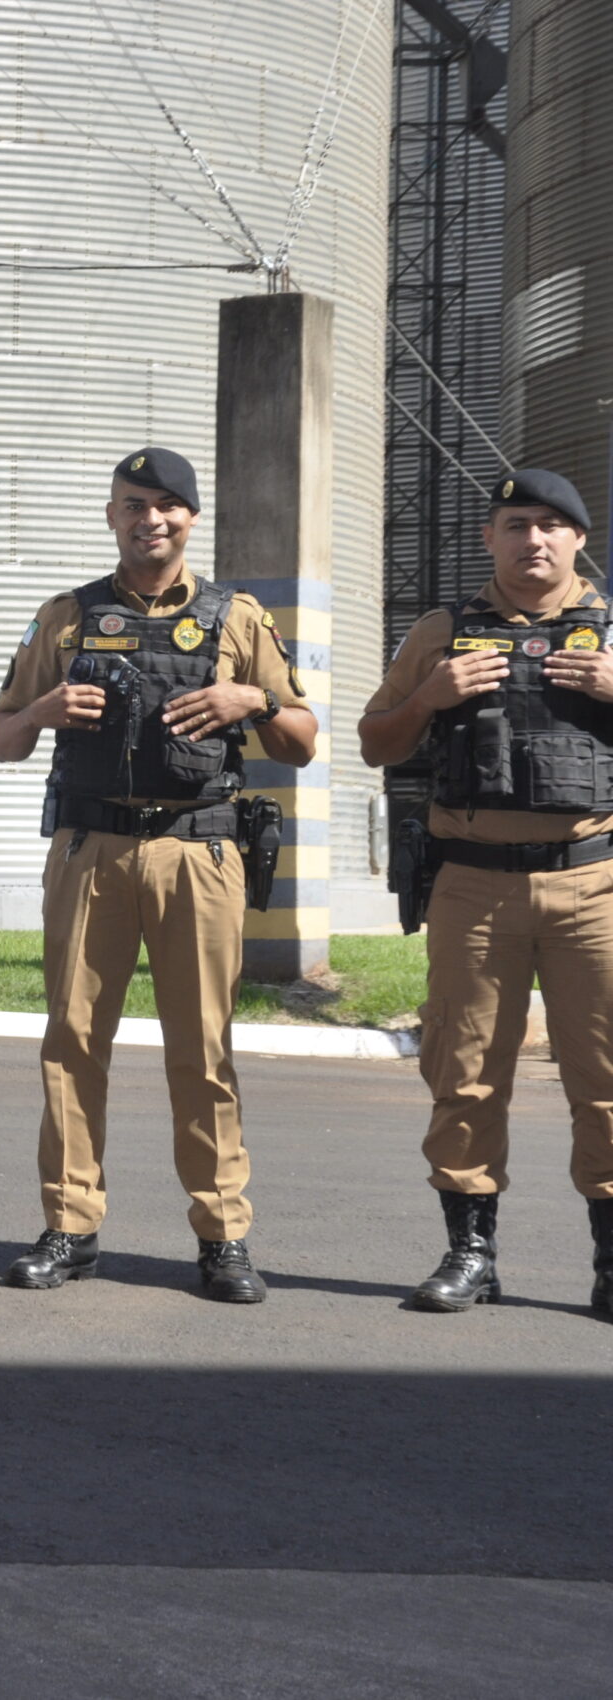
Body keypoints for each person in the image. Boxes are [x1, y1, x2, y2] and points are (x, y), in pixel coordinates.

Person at [0, 447, 316, 1303]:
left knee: (202, 1049)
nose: (150, 520)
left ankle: (223, 1236)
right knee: (72, 1043)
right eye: (133, 504)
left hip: (197, 853)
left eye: (167, 505)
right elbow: (2, 738)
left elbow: (303, 739)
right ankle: (70, 1227)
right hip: (90, 851)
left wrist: (255, 701)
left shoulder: (236, 618)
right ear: (112, 516)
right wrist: (43, 709)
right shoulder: (66, 616)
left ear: (191, 518)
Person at [359, 468, 613, 1318]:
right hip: (472, 883)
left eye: (549, 525)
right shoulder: (441, 631)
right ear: (489, 539)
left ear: (578, 539)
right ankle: (471, 1254)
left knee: (606, 1078)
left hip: (594, 881)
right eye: (514, 524)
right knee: (464, 1074)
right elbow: (375, 742)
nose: (532, 540)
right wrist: (428, 698)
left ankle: (611, 1262)